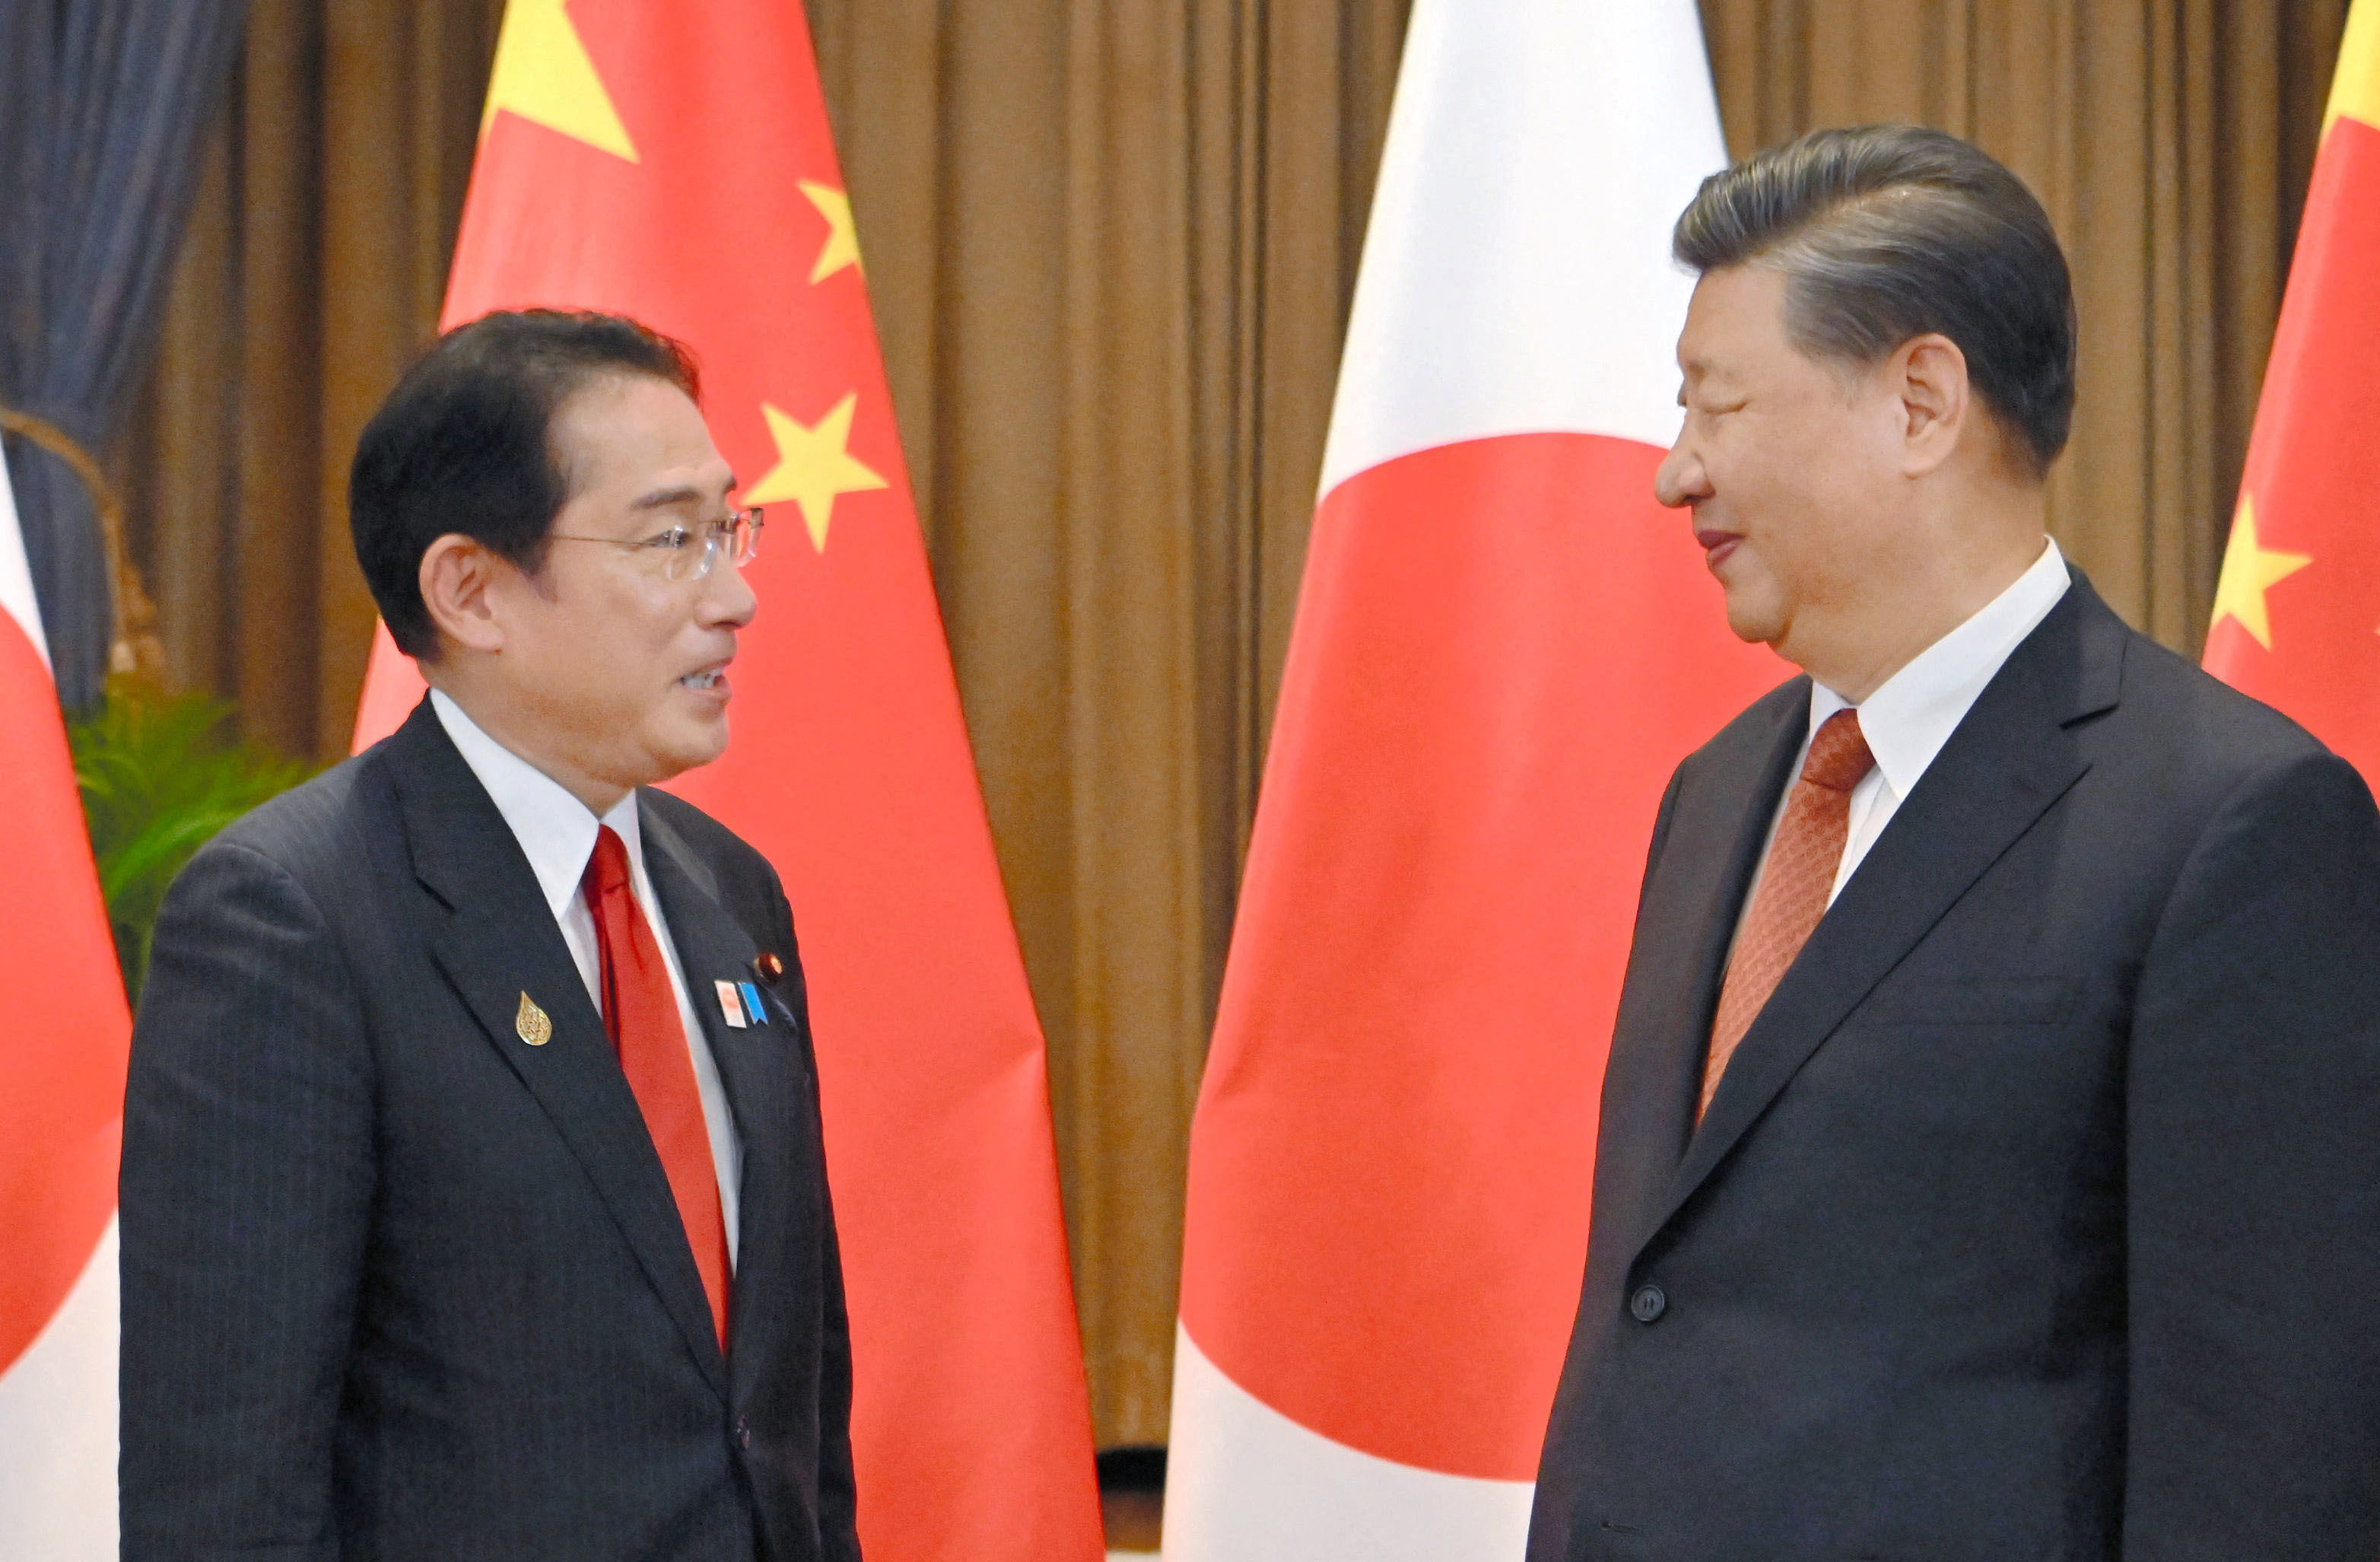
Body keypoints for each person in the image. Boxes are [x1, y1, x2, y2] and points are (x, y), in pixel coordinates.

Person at [1527, 126, 2380, 1560]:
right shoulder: (1715, 791)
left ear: (1920, 401)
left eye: (1718, 407)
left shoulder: (2229, 823)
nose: (1676, 473)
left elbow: (2267, 1449)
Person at [119, 310, 861, 1562]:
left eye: (726, 529)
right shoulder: (293, 919)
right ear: (470, 589)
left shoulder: (734, 899)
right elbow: (225, 1491)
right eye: (671, 539)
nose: (732, 594)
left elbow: (791, 1420)